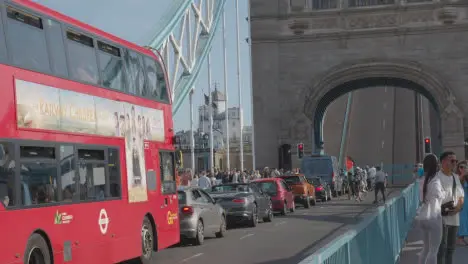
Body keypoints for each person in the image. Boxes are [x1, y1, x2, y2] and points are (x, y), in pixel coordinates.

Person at [417, 154, 445, 264]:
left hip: (423, 216)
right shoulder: (436, 181)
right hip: (434, 216)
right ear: (435, 165)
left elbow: (421, 198)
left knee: (426, 248)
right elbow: (440, 197)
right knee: (434, 250)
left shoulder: (422, 180)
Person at [437, 151, 465, 264]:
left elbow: (461, 194)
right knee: (441, 249)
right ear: (443, 161)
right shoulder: (437, 177)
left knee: (451, 249)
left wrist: (458, 207)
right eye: (451, 160)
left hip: (455, 218)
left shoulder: (455, 177)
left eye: (455, 161)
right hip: (442, 218)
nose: (454, 163)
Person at [456, 161, 468, 245]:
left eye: (465, 167)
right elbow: (456, 184)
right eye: (461, 167)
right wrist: (463, 174)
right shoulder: (457, 177)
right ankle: (460, 238)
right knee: (462, 219)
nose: (463, 168)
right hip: (462, 200)